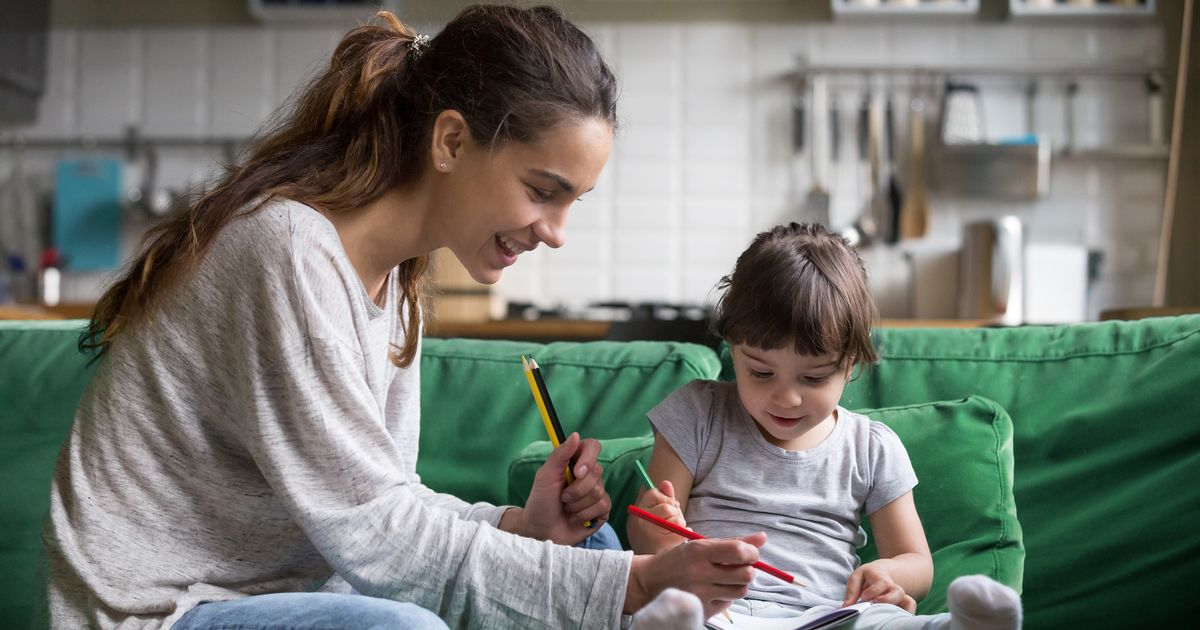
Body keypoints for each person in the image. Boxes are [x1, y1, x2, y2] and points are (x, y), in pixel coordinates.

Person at [41, 5, 766, 629]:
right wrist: (636, 585)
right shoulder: (287, 251)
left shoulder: (399, 283)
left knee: (591, 549)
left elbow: (386, 503)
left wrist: (524, 525)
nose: (556, 231)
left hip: (293, 597)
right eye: (544, 190)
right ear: (450, 141)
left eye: (573, 201)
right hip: (164, 613)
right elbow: (378, 539)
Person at [627, 223, 1023, 629]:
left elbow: (916, 562)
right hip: (714, 609)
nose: (787, 398)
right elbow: (646, 535)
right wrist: (658, 533)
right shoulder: (700, 412)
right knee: (678, 611)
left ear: (850, 364)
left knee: (886, 621)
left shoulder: (871, 447)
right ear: (734, 349)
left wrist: (890, 575)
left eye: (813, 378)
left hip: (826, 618)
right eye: (761, 373)